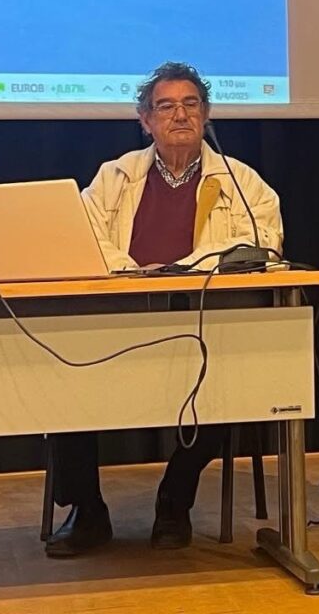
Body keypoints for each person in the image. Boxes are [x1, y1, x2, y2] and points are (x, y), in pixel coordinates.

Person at [45, 62, 282, 558]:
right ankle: (87, 511)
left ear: (206, 115)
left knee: (228, 384)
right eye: (166, 106)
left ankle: (174, 501)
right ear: (145, 120)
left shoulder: (241, 180)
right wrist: (134, 273)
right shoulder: (114, 176)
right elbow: (81, 237)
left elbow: (262, 242)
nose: (180, 115)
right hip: (117, 319)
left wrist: (180, 270)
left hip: (203, 323)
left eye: (191, 104)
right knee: (63, 381)